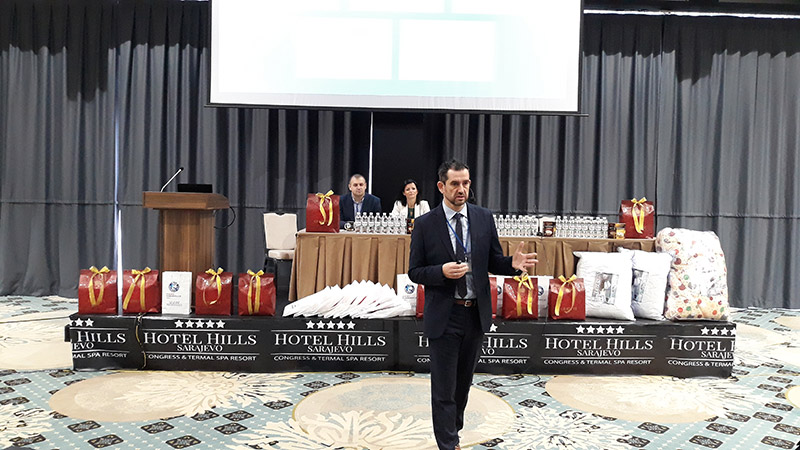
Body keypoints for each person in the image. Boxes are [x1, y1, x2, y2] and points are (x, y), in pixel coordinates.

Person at [408, 159, 537, 450]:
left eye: (465, 183)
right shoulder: (426, 224)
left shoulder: (483, 217)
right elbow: (415, 271)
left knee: (462, 386)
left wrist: (512, 265)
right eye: (455, 183)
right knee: (443, 388)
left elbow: (493, 261)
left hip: (475, 315)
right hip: (445, 315)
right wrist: (440, 272)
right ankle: (448, 444)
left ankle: (452, 432)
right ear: (441, 186)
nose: (462, 189)